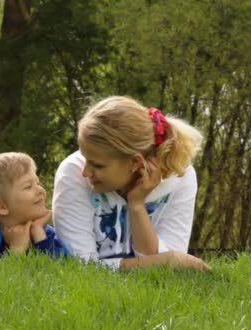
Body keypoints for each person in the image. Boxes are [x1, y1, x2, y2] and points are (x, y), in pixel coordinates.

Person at [52, 96, 211, 271]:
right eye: (85, 158)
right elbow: (80, 266)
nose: (86, 172)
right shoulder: (72, 174)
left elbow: (164, 275)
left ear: (135, 163)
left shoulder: (181, 176)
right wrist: (169, 260)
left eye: (97, 165)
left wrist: (137, 206)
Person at [0, 152, 69, 257]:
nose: (40, 190)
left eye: (37, 183)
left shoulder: (39, 227)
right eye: (28, 186)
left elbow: (61, 268)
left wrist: (40, 237)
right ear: (0, 206)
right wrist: (17, 249)